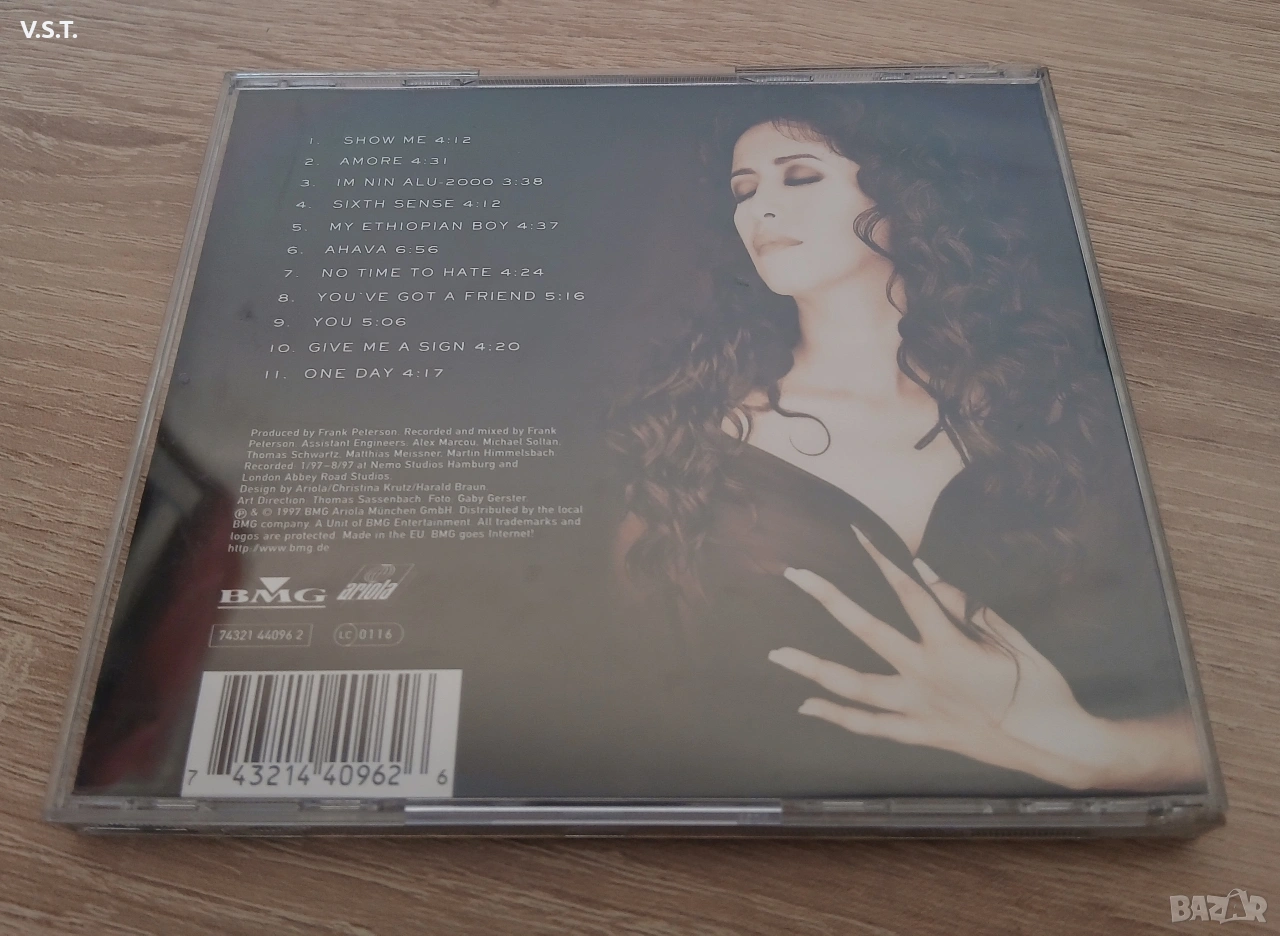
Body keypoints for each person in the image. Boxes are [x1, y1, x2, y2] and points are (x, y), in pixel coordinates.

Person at [607, 92, 1205, 796]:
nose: (759, 209)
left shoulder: (1062, 413)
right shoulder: (688, 443)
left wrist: (1093, 753)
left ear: (904, 195)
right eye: (743, 190)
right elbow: (637, 709)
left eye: (800, 176)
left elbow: (1219, 715)